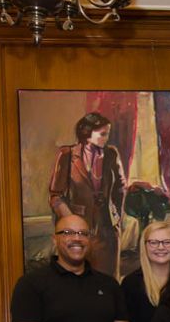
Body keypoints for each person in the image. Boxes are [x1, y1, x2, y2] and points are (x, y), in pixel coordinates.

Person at [48, 113, 127, 277]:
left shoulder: (111, 154)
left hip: (107, 230)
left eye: (108, 134)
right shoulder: (67, 155)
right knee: (77, 281)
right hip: (78, 232)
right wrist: (71, 222)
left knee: (108, 280)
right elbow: (55, 196)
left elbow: (121, 187)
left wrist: (117, 215)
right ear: (86, 133)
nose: (106, 138)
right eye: (102, 134)